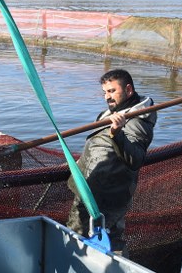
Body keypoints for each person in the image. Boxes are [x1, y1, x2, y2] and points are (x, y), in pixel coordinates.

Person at [66, 69, 157, 255]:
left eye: (112, 91)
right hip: (89, 191)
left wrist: (117, 133)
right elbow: (97, 149)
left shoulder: (137, 122)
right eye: (105, 92)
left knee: (86, 243)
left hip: (107, 198)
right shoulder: (108, 113)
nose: (107, 97)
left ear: (129, 90)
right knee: (96, 240)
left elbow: (135, 159)